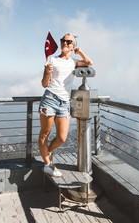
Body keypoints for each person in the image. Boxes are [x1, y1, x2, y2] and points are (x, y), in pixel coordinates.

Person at [38, 33, 93, 177]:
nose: (65, 43)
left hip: (64, 103)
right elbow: (44, 84)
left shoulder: (73, 62)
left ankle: (47, 152)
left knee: (62, 138)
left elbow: (89, 63)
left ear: (72, 45)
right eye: (63, 40)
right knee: (45, 133)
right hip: (50, 99)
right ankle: (47, 165)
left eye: (69, 42)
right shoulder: (52, 60)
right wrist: (47, 73)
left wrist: (80, 51)